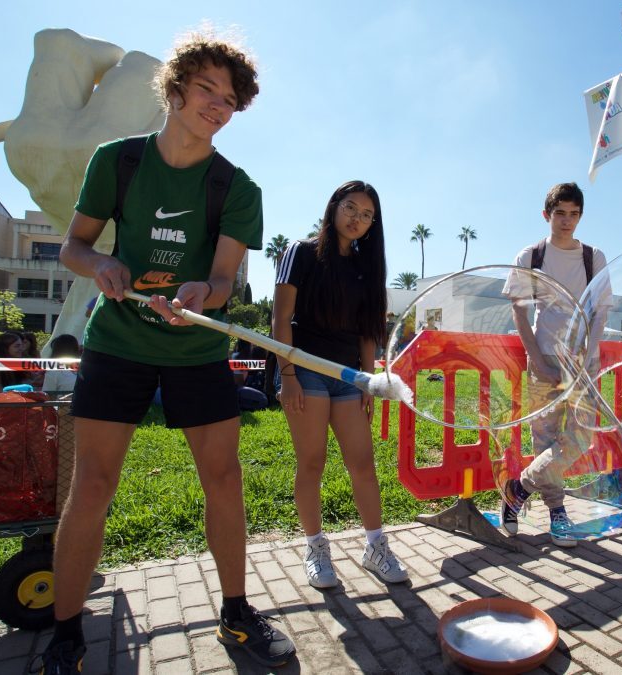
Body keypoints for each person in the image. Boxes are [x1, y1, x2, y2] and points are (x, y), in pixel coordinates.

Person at [45, 31, 295, 673]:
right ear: (176, 87)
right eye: (207, 88)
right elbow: (73, 246)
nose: (218, 104)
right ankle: (66, 632)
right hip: (116, 343)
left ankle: (237, 612)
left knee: (225, 478)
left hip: (194, 350)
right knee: (92, 484)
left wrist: (202, 297)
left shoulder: (237, 188)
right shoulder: (118, 161)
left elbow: (220, 280)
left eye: (231, 98)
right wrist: (100, 262)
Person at [272, 180, 408, 589]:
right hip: (306, 369)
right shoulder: (301, 252)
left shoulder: (367, 267)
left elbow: (369, 331)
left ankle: (375, 547)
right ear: (334, 208)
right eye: (351, 208)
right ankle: (315, 548)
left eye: (367, 215)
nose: (358, 219)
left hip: (348, 376)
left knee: (362, 464)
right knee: (311, 462)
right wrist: (289, 375)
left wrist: (369, 382)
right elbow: (280, 318)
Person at [499, 182, 610, 548]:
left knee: (581, 437)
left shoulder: (593, 257)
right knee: (544, 437)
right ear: (547, 215)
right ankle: (558, 512)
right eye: (560, 213)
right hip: (544, 357)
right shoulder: (531, 256)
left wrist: (588, 358)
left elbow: (600, 313)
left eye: (574, 214)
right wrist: (535, 357)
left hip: (582, 362)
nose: (567, 221)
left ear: (581, 216)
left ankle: (518, 488)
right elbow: (519, 310)